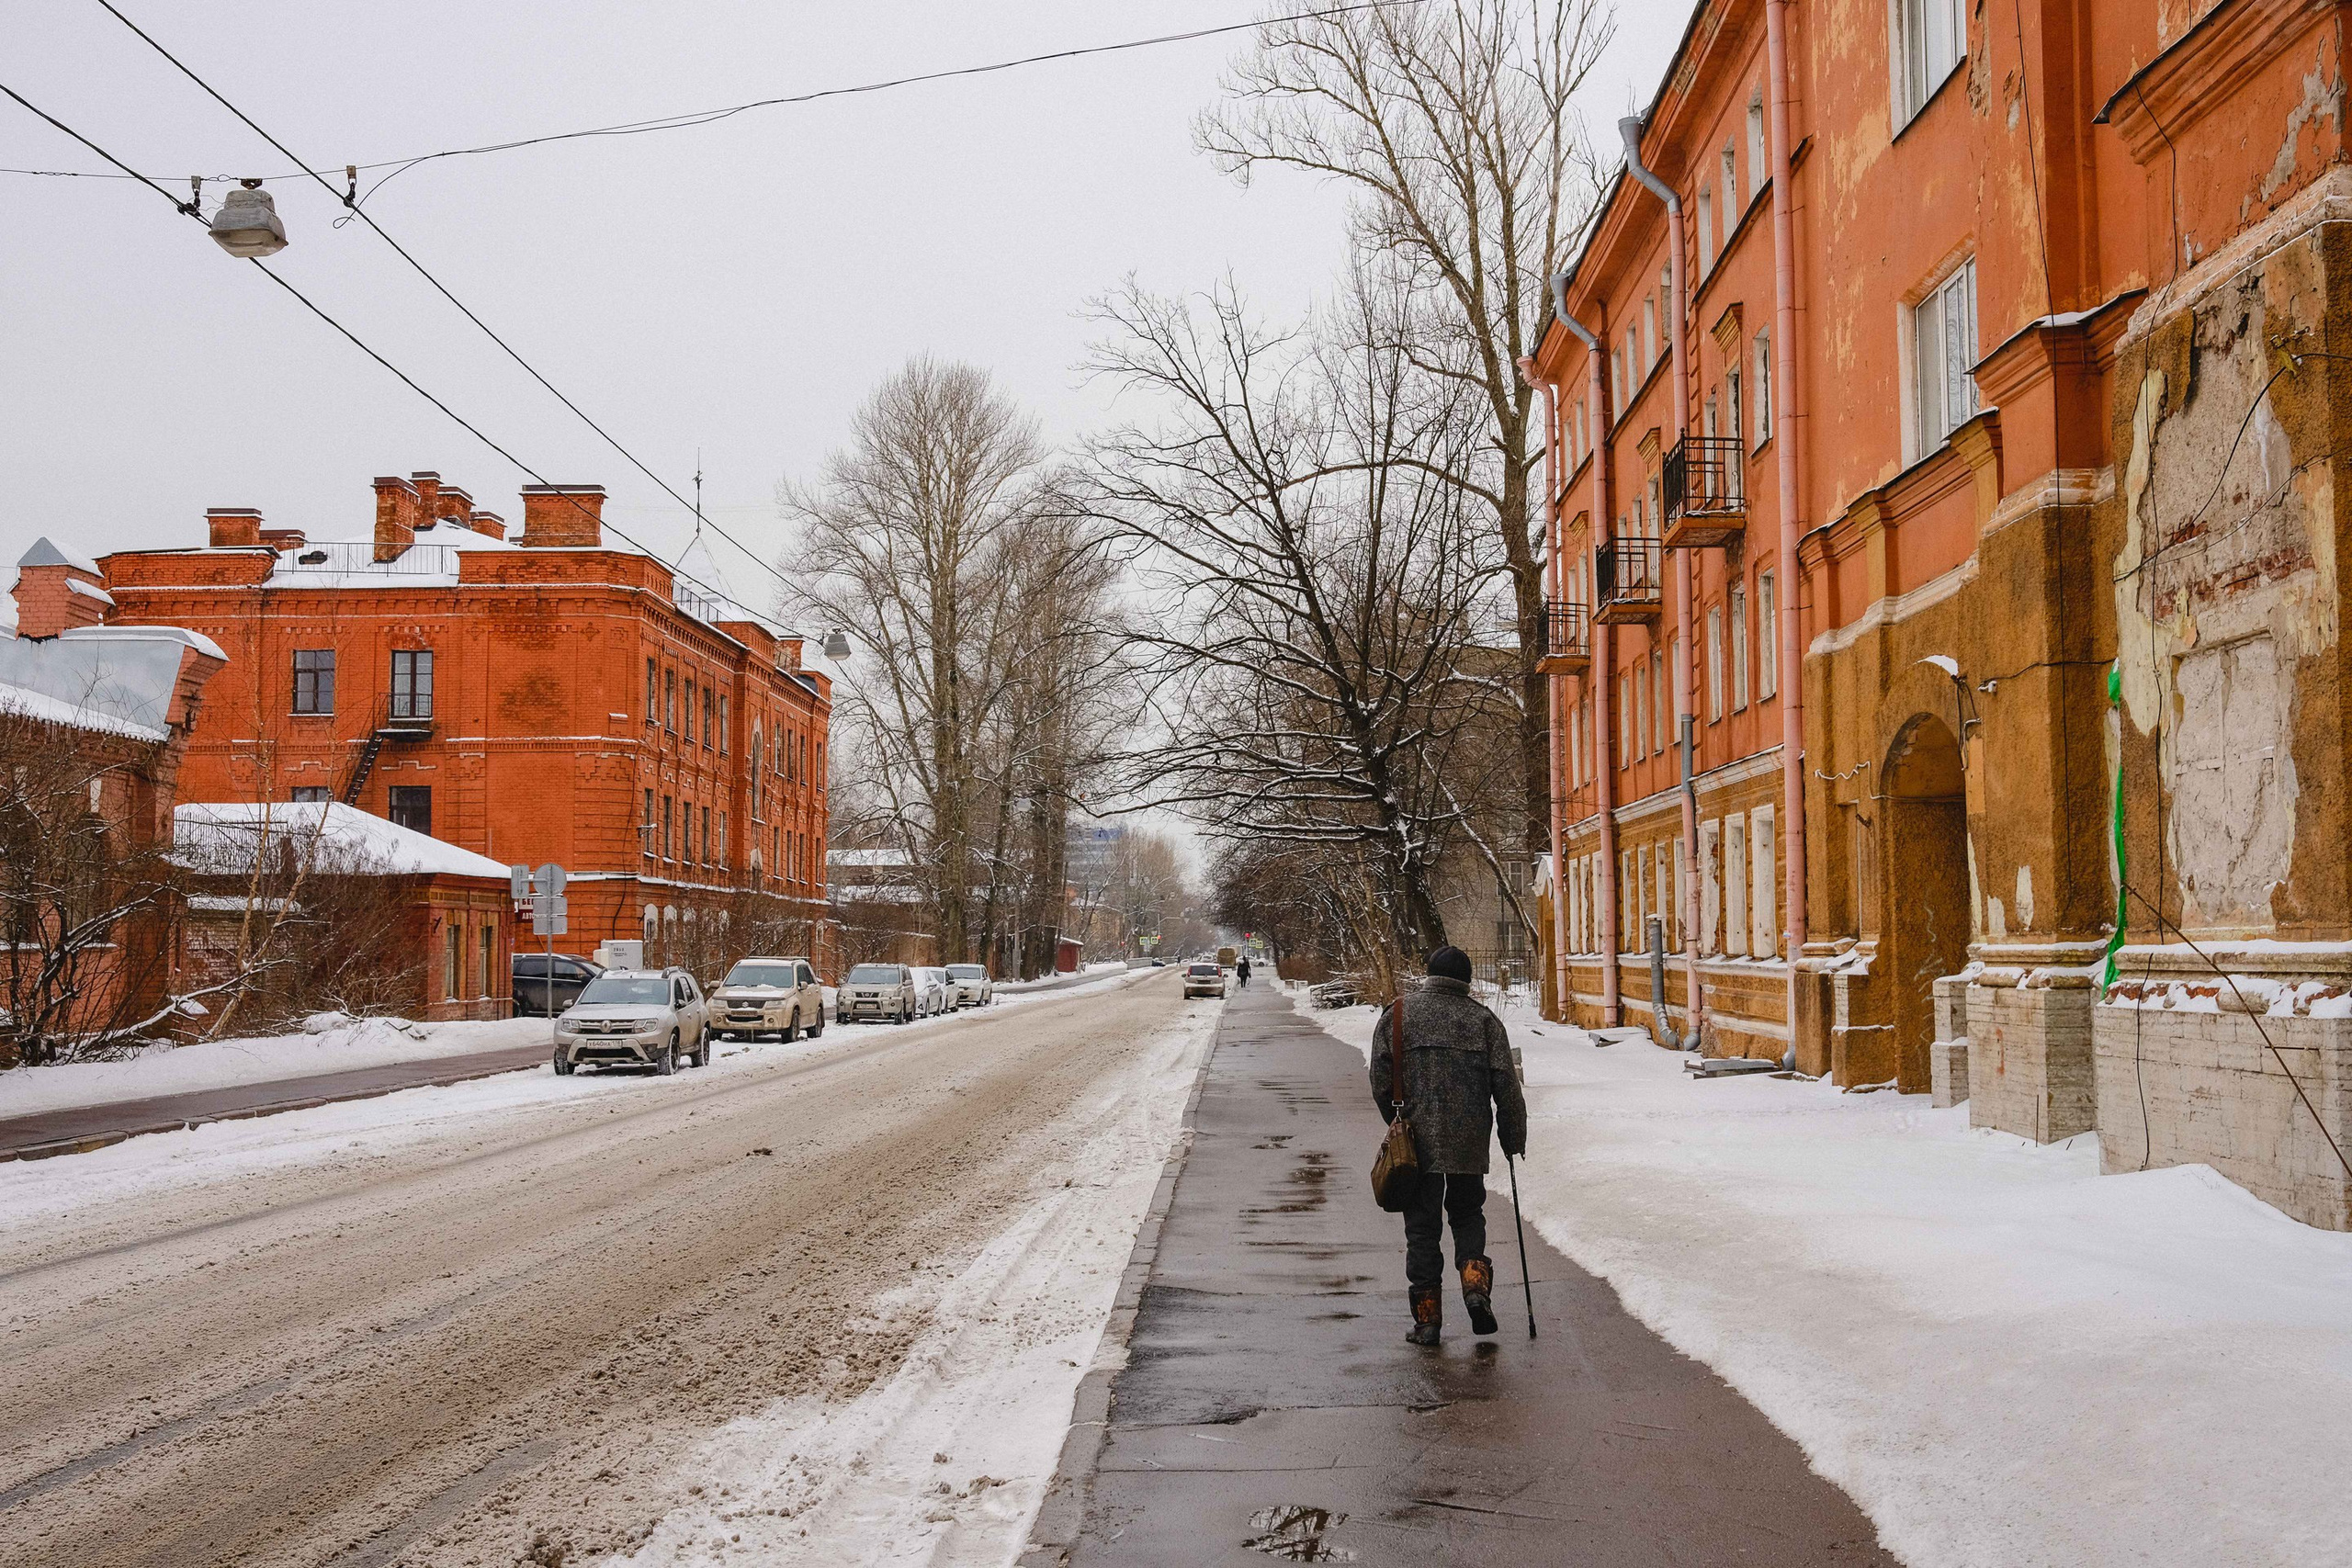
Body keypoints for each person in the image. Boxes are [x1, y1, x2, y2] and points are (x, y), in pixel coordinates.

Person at [1369, 945, 1526, 1346]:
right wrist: (1512, 1138)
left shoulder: (1399, 1015)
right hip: (1469, 1142)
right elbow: (1507, 1088)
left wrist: (1397, 1122)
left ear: (1429, 974)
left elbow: (1380, 1080)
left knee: (1422, 1230)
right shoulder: (1483, 1020)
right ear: (1467, 981)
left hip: (1416, 1144)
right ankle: (1475, 1289)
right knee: (1468, 1215)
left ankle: (1427, 1322)